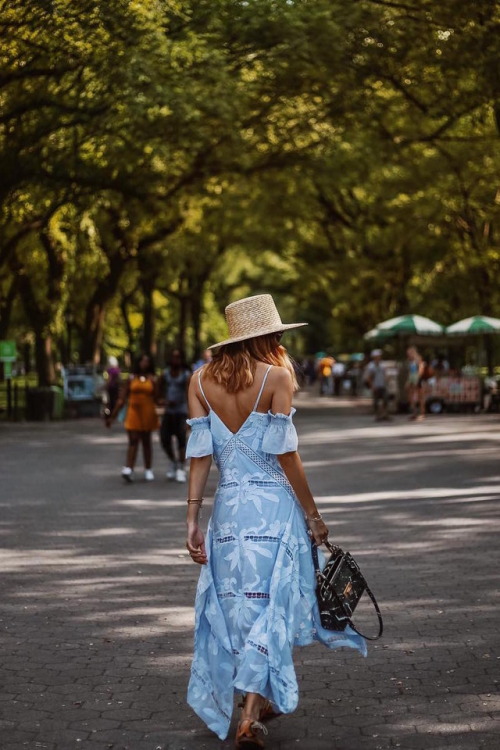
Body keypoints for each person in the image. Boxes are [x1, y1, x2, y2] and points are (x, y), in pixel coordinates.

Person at [185, 294, 366, 748]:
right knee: (272, 604)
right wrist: (314, 515)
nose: (282, 340)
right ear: (266, 336)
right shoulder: (277, 377)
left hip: (228, 513)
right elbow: (286, 455)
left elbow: (200, 457)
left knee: (240, 606)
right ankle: (250, 715)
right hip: (275, 512)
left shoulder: (198, 382)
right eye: (279, 333)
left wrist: (192, 519)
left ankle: (254, 703)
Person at [105, 353, 159, 481]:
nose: (144, 364)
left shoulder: (153, 379)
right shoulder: (131, 378)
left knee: (146, 441)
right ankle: (129, 468)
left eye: (147, 361)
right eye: (142, 361)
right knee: (133, 440)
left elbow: (157, 397)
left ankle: (148, 469)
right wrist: (112, 416)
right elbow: (121, 399)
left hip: (147, 412)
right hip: (133, 412)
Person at [159, 349, 191, 483]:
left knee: (181, 440)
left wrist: (191, 415)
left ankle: (181, 468)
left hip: (181, 412)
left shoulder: (186, 375)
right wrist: (163, 401)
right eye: (173, 357)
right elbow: (158, 390)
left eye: (178, 357)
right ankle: (173, 461)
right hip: (168, 411)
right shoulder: (165, 374)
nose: (175, 360)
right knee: (164, 439)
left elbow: (189, 394)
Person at [364, 349, 390, 420]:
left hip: (383, 385)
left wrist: (387, 378)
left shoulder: (382, 365)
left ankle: (385, 414)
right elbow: (368, 377)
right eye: (377, 356)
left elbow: (385, 373)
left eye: (379, 356)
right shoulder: (371, 366)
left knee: (385, 400)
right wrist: (372, 386)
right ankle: (378, 415)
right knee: (376, 402)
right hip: (375, 386)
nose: (379, 357)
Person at [406, 346, 426, 421]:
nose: (408, 355)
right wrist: (408, 381)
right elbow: (410, 372)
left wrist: (418, 378)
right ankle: (414, 413)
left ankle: (422, 414)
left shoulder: (418, 359)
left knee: (420, 397)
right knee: (412, 397)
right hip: (411, 378)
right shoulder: (410, 361)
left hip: (418, 378)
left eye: (409, 353)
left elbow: (421, 369)